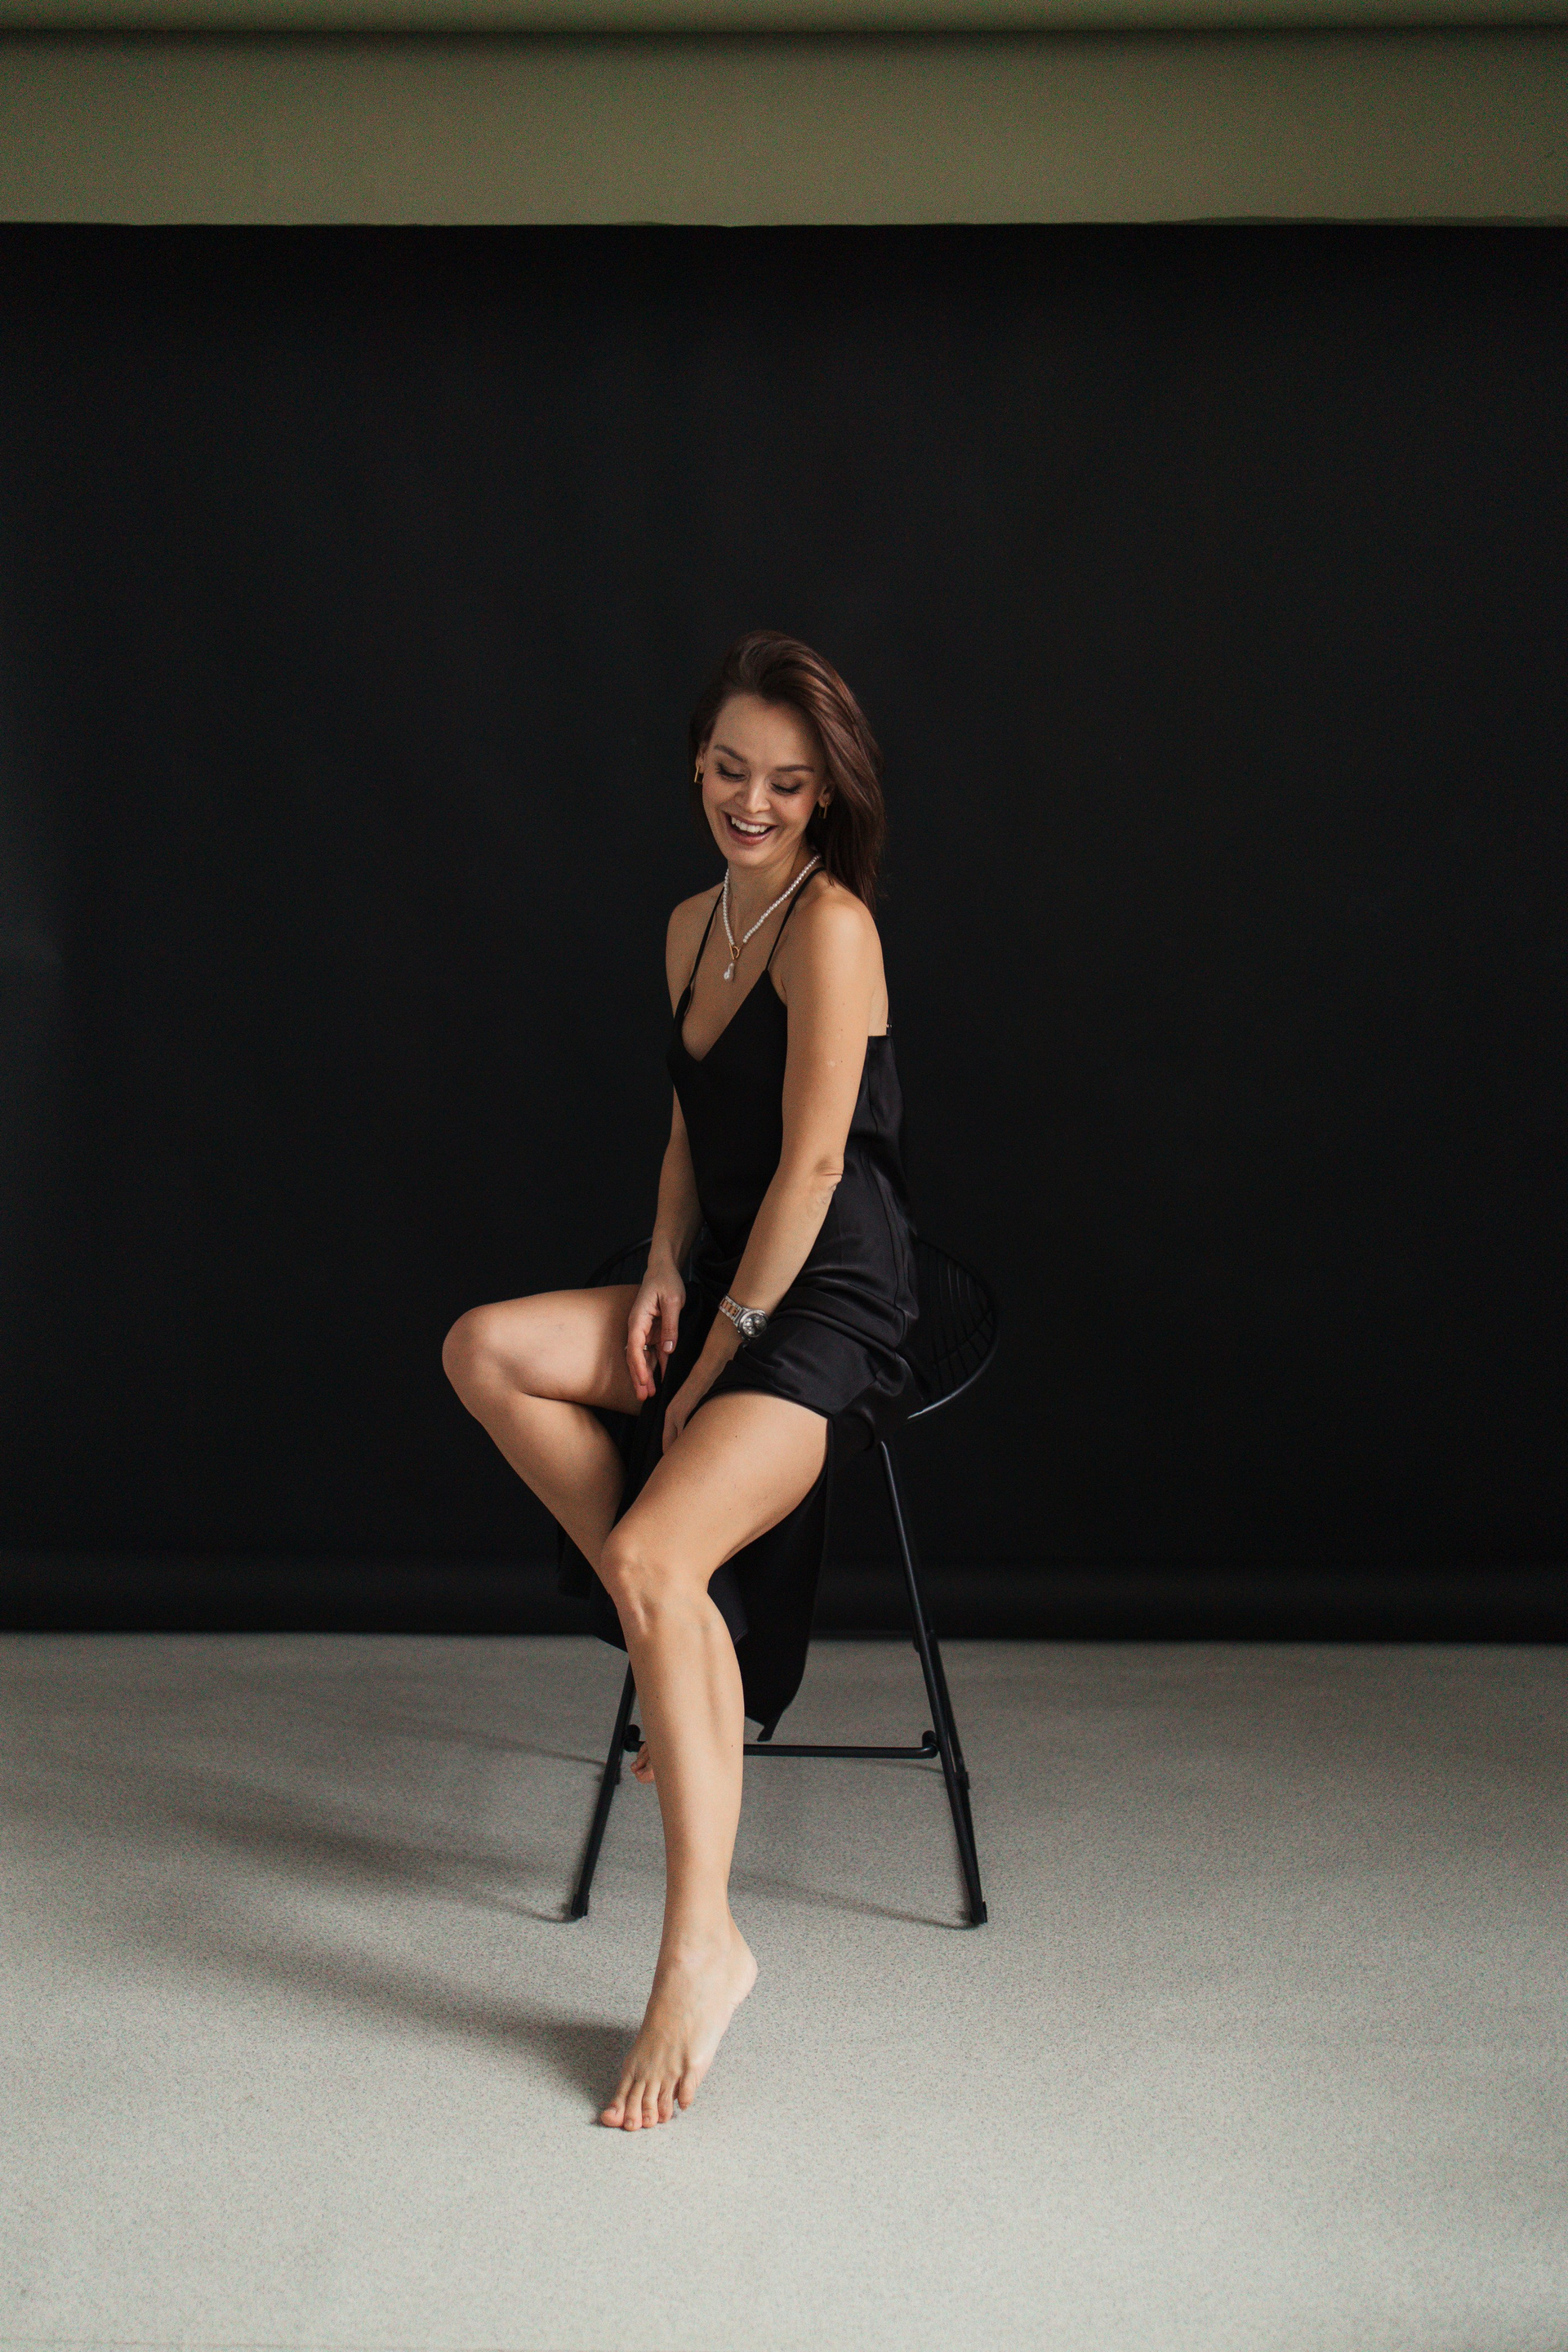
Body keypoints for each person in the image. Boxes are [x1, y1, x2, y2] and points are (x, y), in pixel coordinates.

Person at [442, 630, 920, 2130]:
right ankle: (686, 1648)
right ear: (697, 767)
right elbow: (685, 1136)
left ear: (827, 794)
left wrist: (718, 1351)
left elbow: (815, 1168)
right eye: (730, 770)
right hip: (721, 1268)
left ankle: (702, 1944)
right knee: (484, 1349)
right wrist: (662, 1264)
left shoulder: (830, 929)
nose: (752, 802)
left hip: (827, 1291)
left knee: (652, 1549)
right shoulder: (688, 925)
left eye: (788, 782)